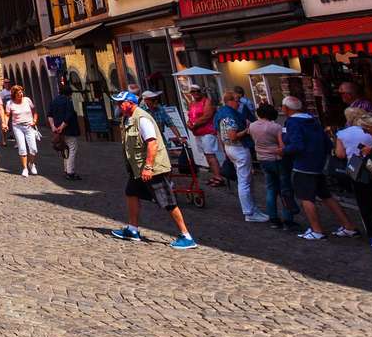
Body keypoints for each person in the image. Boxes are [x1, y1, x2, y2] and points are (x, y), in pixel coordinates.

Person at [109, 91, 198, 250]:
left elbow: (152, 144)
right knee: (131, 192)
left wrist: (148, 167)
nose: (117, 105)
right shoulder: (128, 118)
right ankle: (133, 229)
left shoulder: (142, 119)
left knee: (167, 201)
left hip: (152, 168)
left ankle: (186, 236)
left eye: (120, 102)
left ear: (130, 102)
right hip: (137, 168)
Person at [281, 95, 359, 241]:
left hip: (303, 165)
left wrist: (283, 150)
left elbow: (296, 145)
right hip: (318, 164)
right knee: (326, 195)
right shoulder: (313, 120)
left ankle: (317, 230)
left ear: (287, 109)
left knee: (306, 197)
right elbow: (327, 143)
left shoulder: (292, 122)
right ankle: (348, 226)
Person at [217, 88, 266, 222]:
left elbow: (220, 134)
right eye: (237, 100)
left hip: (232, 148)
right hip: (237, 148)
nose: (239, 103)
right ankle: (249, 212)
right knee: (244, 181)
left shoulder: (222, 112)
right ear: (230, 101)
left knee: (246, 179)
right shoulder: (229, 115)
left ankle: (252, 209)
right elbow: (233, 136)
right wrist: (247, 130)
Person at [332, 107, 372, 249]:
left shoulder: (343, 133)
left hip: (359, 171)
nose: (365, 132)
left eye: (366, 130)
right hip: (370, 171)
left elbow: (340, 154)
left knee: (365, 203)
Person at [249, 102, 297, 230]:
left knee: (271, 189)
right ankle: (288, 219)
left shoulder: (252, 126)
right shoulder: (275, 127)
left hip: (263, 159)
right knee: (285, 189)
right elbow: (282, 146)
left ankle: (273, 218)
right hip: (276, 159)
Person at [186, 87, 225, 186]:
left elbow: (207, 116)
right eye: (193, 91)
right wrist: (188, 123)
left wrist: (194, 125)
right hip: (198, 133)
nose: (196, 93)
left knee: (211, 155)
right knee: (207, 155)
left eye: (198, 91)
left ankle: (218, 177)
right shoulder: (191, 103)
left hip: (207, 132)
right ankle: (215, 175)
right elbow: (190, 116)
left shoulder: (207, 101)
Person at [46, 85, 81, 181]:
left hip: (58, 131)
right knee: (72, 149)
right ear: (69, 94)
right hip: (69, 130)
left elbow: (49, 114)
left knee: (65, 149)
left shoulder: (54, 101)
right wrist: (62, 127)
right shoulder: (67, 101)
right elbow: (69, 116)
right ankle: (70, 172)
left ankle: (66, 169)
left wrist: (53, 127)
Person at [5, 84, 40, 177]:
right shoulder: (10, 103)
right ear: (14, 95)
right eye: (18, 93)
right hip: (17, 127)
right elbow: (7, 115)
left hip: (29, 126)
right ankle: (25, 168)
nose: (21, 94)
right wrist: (4, 124)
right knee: (22, 148)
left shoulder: (27, 100)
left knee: (33, 149)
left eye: (21, 92)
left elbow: (34, 111)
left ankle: (31, 164)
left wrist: (34, 121)